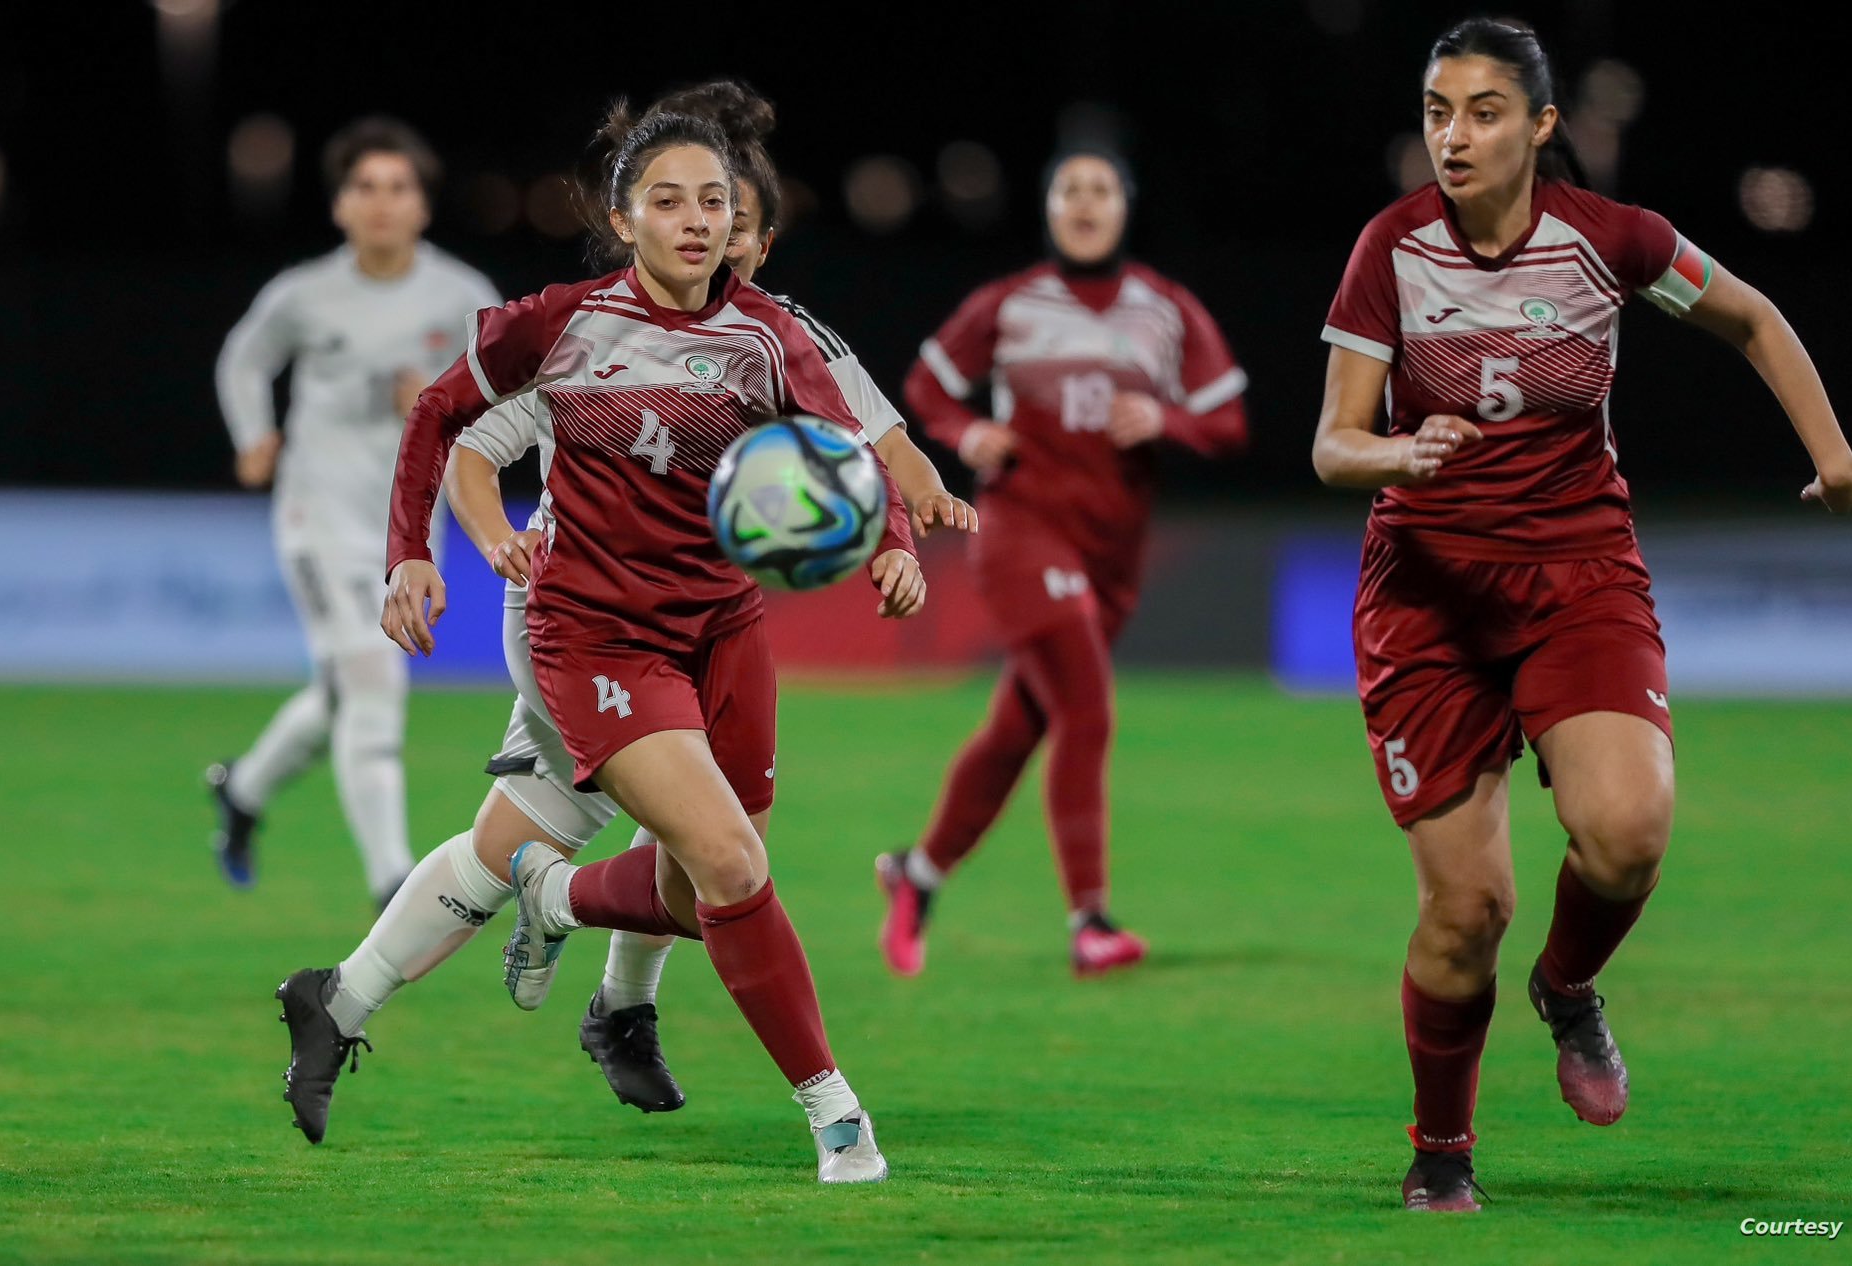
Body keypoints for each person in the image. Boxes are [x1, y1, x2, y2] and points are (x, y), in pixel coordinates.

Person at [281, 105, 923, 1184]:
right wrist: (413, 555)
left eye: (713, 202)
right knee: (731, 864)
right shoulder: (562, 324)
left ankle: (409, 967)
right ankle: (835, 1116)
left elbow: (850, 453)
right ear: (623, 219)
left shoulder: (770, 337)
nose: (696, 220)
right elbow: (441, 417)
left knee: (686, 887)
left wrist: (891, 542)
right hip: (594, 636)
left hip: (722, 632)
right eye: (669, 201)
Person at [1310, 19, 1852, 1213]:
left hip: (1576, 577)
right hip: (1425, 600)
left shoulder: (1609, 239)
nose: (1452, 136)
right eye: (1434, 111)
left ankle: (1566, 988)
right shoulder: (1389, 249)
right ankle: (1441, 1151)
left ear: (1538, 126)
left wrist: (1830, 457)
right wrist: (1397, 454)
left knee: (1626, 832)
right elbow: (1331, 444)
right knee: (1466, 910)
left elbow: (1751, 318)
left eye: (1480, 112)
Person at [878, 149, 1249, 978]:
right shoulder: (1011, 303)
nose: (1085, 203)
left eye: (1101, 189)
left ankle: (918, 873)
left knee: (1019, 729)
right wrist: (967, 431)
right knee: (1087, 712)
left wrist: (1166, 420)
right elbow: (926, 385)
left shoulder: (1166, 308)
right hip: (1022, 529)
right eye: (1069, 189)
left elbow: (1227, 424)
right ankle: (1091, 922)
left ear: (1125, 205)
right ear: (1048, 209)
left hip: (1112, 555)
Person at [207, 118, 500, 906]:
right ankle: (392, 883)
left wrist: (443, 404)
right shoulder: (305, 294)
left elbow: (510, 394)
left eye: (398, 188)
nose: (381, 203)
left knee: (343, 692)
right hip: (318, 515)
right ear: (340, 205)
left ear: (423, 206)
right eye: (365, 187)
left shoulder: (463, 296)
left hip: (410, 527)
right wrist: (254, 435)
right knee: (372, 679)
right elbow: (244, 358)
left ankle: (243, 792)